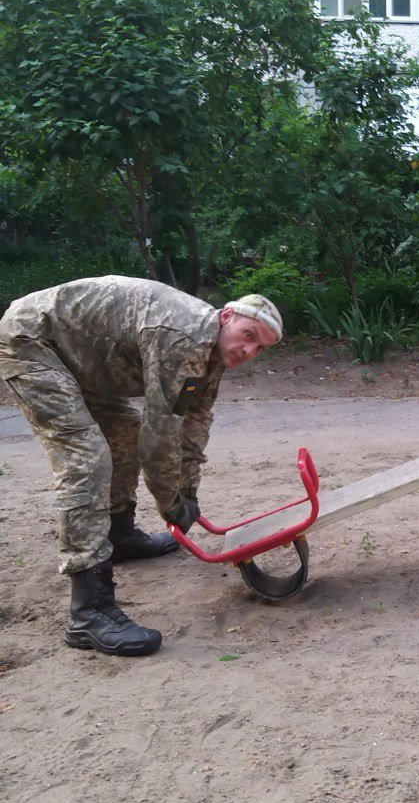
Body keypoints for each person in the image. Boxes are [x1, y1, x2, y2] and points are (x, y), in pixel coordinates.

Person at [0, 277, 283, 657]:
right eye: (248, 335)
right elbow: (161, 436)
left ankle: (120, 534)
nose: (249, 350)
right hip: (34, 343)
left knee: (123, 430)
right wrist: (171, 504)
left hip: (81, 357)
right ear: (227, 316)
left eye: (260, 347)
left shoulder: (212, 351)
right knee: (87, 457)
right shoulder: (183, 338)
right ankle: (89, 611)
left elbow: (194, 420)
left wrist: (190, 493)